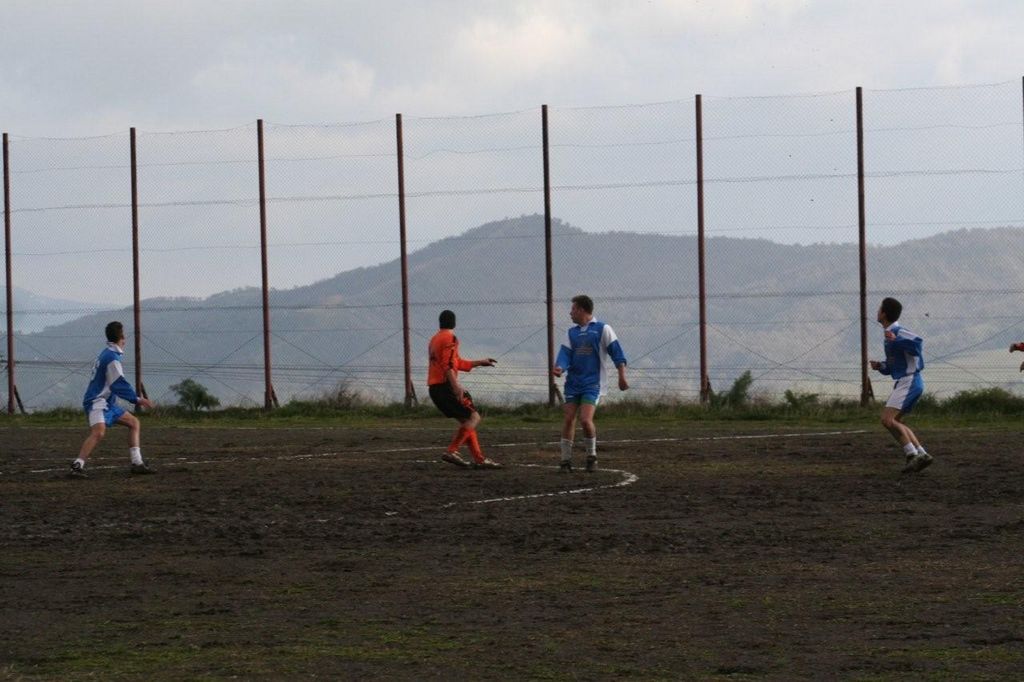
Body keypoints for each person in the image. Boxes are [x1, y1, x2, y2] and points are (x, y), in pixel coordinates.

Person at [552, 295, 628, 473]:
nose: (570, 313)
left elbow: (617, 353)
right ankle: (565, 461)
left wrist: (622, 376)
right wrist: (560, 367)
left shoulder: (603, 329)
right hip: (573, 383)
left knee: (586, 420)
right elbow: (565, 354)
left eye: (573, 309)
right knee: (569, 419)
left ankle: (591, 457)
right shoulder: (571, 333)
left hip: (593, 383)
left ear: (582, 310)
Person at [69, 321, 155, 478]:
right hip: (97, 402)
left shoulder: (107, 353)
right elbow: (118, 384)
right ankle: (77, 466)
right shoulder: (112, 358)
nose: (125, 340)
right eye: (124, 336)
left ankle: (137, 463)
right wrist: (138, 399)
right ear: (121, 338)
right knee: (98, 432)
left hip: (107, 403)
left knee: (134, 423)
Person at [428, 310, 502, 469]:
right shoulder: (450, 338)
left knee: (467, 422)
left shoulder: (435, 339)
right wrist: (456, 387)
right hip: (445, 386)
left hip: (435, 388)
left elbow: (456, 363)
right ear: (454, 323)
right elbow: (448, 365)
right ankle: (451, 451)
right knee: (474, 418)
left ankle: (479, 460)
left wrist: (480, 362)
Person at [868, 297, 931, 474]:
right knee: (895, 421)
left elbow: (918, 343)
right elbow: (892, 367)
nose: (877, 311)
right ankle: (921, 454)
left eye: (879, 308)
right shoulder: (889, 335)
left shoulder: (897, 331)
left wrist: (896, 340)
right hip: (908, 381)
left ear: (884, 313)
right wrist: (881, 366)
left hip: (909, 380)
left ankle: (912, 454)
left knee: (887, 420)